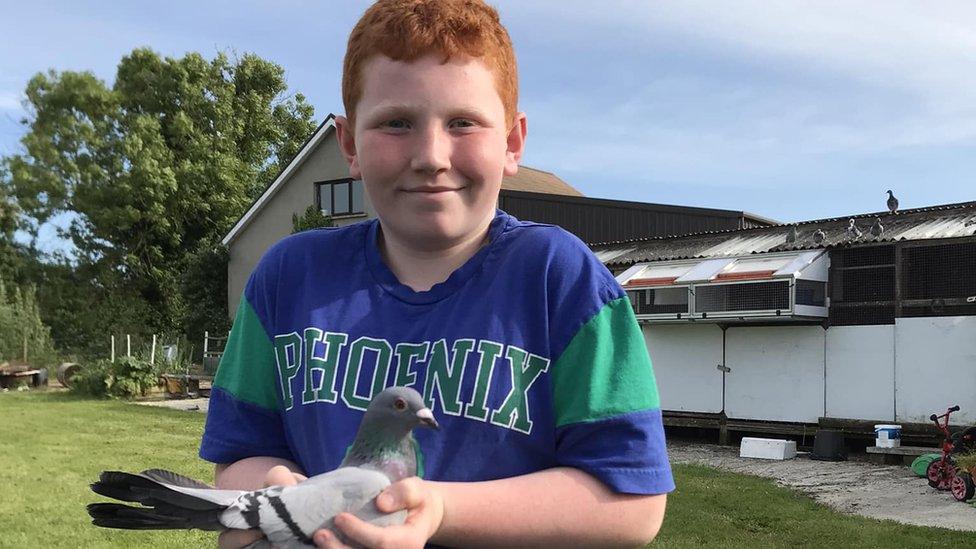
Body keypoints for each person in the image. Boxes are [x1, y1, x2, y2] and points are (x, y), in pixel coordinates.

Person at [201, 1, 674, 547]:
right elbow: (237, 460)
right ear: (349, 143)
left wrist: (439, 509)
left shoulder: (561, 279)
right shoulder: (288, 278)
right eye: (396, 123)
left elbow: (632, 503)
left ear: (513, 142)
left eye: (463, 123)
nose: (431, 155)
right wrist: (281, 495)